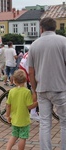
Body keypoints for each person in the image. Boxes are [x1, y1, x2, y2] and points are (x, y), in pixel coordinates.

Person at [28, 17, 66, 150]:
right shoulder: (63, 42)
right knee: (64, 123)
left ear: (41, 28)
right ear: (55, 27)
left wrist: (35, 88)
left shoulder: (34, 45)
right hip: (61, 88)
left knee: (45, 123)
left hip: (42, 89)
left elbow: (31, 72)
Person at [6, 69, 38, 150]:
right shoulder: (27, 92)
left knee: (14, 136)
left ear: (14, 80)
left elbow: (8, 105)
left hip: (14, 119)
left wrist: (8, 116)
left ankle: (8, 148)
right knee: (22, 138)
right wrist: (38, 102)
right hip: (24, 120)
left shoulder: (11, 91)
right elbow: (29, 106)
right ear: (25, 80)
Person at [19, 52, 40, 122]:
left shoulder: (31, 51)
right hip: (26, 71)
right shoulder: (33, 54)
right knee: (36, 90)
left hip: (23, 69)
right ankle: (33, 113)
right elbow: (31, 72)